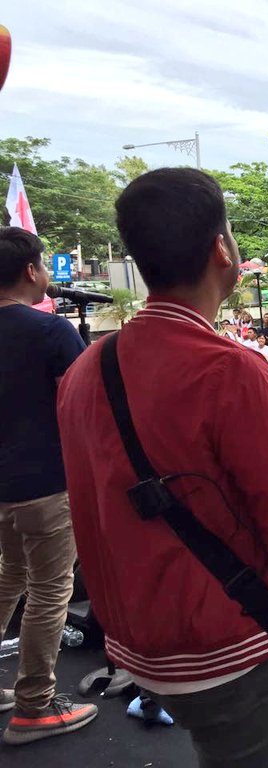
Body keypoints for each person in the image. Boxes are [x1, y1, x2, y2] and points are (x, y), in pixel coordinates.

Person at [57, 169, 268, 767]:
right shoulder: (227, 369)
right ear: (221, 250)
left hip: (135, 643)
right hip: (227, 647)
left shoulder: (86, 369)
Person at [0, 226, 96, 744]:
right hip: (46, 483)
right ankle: (34, 705)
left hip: (2, 485)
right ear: (31, 270)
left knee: (9, 575)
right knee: (50, 590)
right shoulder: (50, 331)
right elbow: (86, 406)